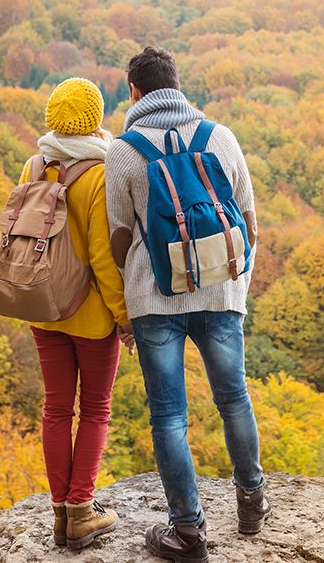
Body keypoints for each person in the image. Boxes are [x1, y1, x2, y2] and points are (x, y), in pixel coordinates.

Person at [105, 47, 270, 563]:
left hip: (154, 299)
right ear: (176, 85)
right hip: (221, 293)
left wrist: (133, 300)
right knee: (233, 398)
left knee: (170, 416)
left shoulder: (124, 151)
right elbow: (248, 220)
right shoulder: (219, 137)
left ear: (135, 91)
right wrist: (231, 287)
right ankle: (251, 503)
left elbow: (118, 237)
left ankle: (188, 532)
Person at [24, 77, 135, 550]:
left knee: (55, 409)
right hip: (89, 317)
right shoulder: (100, 172)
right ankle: (81, 510)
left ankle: (59, 516)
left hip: (43, 306)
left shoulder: (35, 163)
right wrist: (125, 318)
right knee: (94, 410)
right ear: (95, 118)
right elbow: (104, 259)